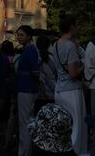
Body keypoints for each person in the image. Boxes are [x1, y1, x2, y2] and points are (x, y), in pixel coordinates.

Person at [51, 13, 87, 155]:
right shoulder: (70, 46)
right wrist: (84, 64)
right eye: (76, 25)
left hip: (59, 89)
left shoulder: (55, 45)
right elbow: (73, 73)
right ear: (72, 27)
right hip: (72, 91)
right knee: (76, 127)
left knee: (63, 127)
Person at [16, 25, 40, 156]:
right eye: (18, 35)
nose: (19, 38)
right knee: (27, 122)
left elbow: (36, 71)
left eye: (22, 35)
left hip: (27, 90)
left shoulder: (30, 51)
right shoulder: (26, 50)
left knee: (25, 123)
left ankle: (24, 152)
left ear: (29, 36)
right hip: (25, 89)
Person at [35, 35, 56, 113]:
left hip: (38, 93)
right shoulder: (53, 58)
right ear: (48, 45)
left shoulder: (35, 58)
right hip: (52, 91)